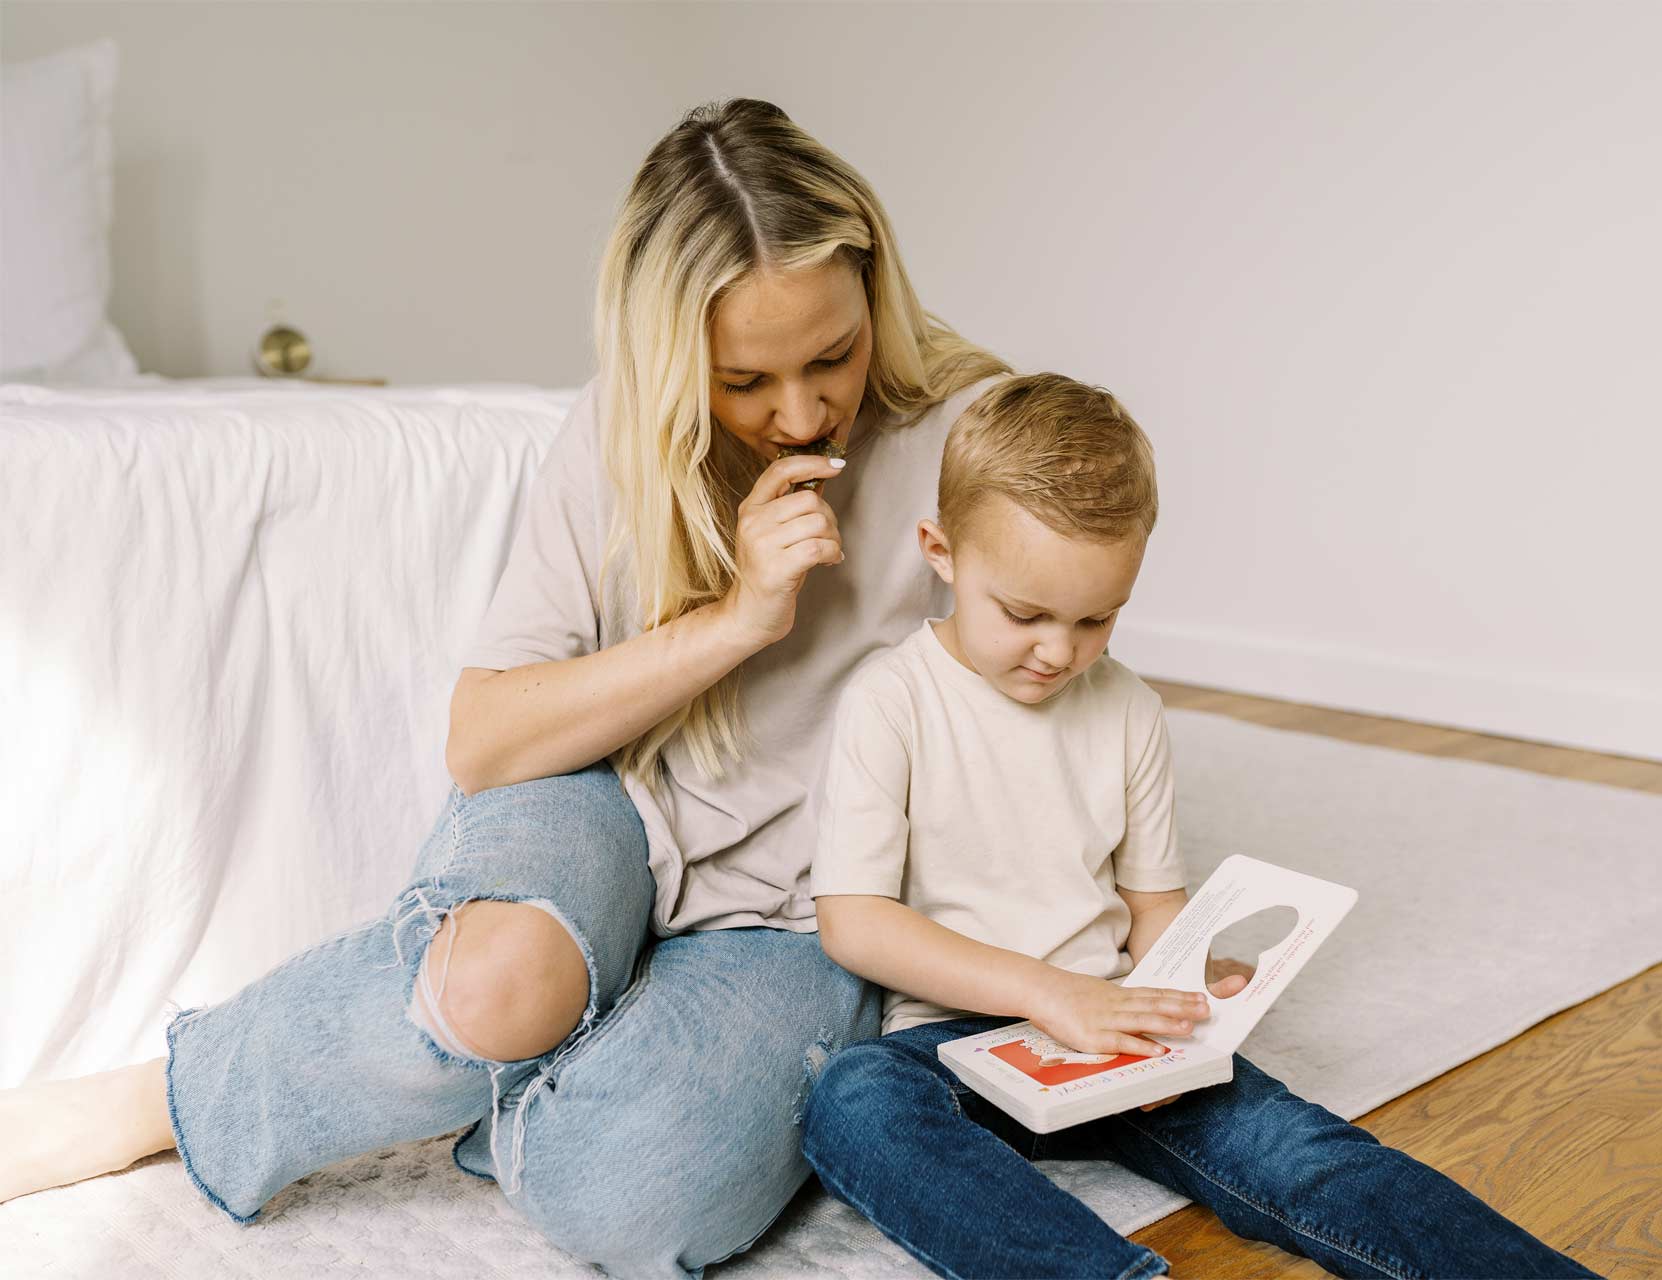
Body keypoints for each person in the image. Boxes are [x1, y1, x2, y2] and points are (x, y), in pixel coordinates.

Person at [0, 98, 1013, 1279]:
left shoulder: (973, 437)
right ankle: (149, 1102)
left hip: (798, 905)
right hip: (605, 805)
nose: (799, 413)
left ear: (876, 294)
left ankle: (521, 1077)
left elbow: (1054, 706)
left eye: (832, 357)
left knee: (625, 1191)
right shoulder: (622, 428)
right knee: (494, 980)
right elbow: (484, 740)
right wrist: (735, 620)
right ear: (674, 357)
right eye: (746, 378)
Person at [801, 373, 1604, 1280]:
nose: (1058, 651)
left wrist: (1188, 979)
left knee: (1304, 1150)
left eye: (1096, 618)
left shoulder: (1128, 709)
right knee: (854, 1096)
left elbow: (1153, 909)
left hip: (1120, 1025)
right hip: (952, 1041)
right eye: (1023, 614)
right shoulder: (891, 700)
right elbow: (854, 920)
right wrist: (1049, 994)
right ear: (938, 552)